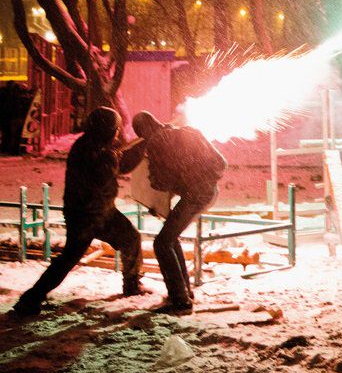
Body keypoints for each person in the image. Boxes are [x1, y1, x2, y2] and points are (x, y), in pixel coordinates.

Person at [13, 107, 144, 316]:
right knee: (71, 258)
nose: (117, 133)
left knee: (130, 239)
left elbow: (119, 163)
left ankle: (132, 284)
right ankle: (30, 299)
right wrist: (133, 149)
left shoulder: (91, 145)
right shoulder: (94, 151)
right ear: (106, 129)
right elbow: (113, 169)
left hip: (95, 211)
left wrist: (139, 146)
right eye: (115, 129)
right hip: (89, 215)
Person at [131, 111, 226, 314]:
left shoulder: (156, 143)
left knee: (161, 243)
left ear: (143, 131)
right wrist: (198, 177)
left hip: (194, 196)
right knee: (170, 239)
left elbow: (160, 183)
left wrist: (156, 197)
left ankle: (180, 301)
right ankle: (184, 292)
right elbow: (221, 163)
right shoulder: (189, 131)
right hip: (210, 191)